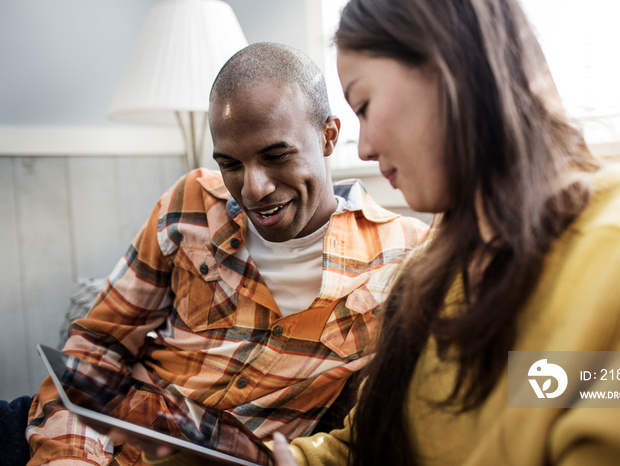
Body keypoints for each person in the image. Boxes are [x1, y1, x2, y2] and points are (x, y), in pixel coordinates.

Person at [268, 0, 620, 464]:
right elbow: (368, 436)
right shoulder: (427, 272)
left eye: (366, 106)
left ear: (451, 66)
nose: (367, 147)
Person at [24, 42, 428, 465]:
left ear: (328, 136)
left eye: (276, 156)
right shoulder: (191, 203)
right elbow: (96, 346)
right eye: (230, 164)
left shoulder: (404, 255)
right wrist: (69, 456)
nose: (254, 189)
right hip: (89, 440)